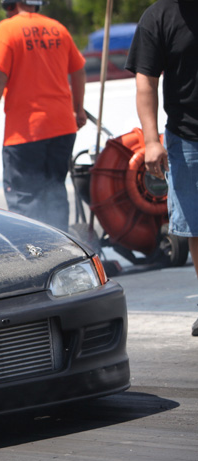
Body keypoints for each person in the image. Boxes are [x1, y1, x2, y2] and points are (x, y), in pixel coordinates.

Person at [0, 0, 87, 232]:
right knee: (54, 191)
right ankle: (60, 246)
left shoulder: (7, 29)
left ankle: (33, 249)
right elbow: (78, 70)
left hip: (26, 132)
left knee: (25, 199)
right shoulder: (57, 28)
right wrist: (78, 109)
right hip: (62, 127)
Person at [125, 0, 198, 336]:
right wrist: (152, 140)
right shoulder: (159, 17)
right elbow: (146, 83)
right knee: (195, 227)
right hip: (186, 139)